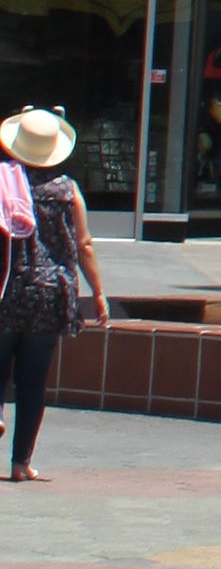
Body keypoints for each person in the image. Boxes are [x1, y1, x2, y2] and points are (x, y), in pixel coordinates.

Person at [0, 105, 103, 479]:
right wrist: (100, 293)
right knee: (33, 381)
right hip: (51, 294)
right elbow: (84, 244)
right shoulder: (67, 190)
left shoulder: (2, 184)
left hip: (7, 289)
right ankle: (20, 463)